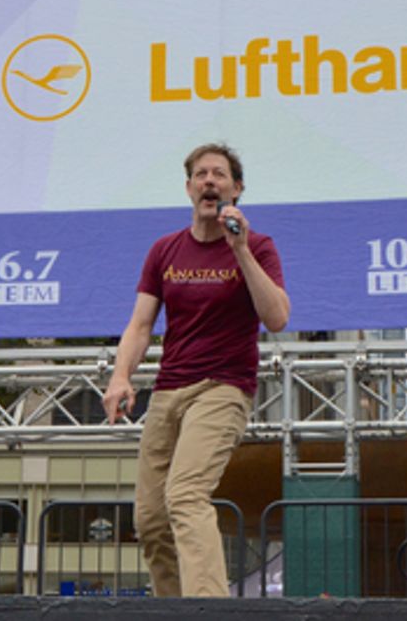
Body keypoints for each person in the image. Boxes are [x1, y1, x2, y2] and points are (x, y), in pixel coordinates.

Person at [102, 143, 291, 597]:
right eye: (201, 174)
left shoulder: (259, 247)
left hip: (223, 388)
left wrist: (240, 250)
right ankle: (173, 607)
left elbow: (278, 317)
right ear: (188, 188)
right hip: (168, 392)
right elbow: (140, 324)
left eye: (220, 174)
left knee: (185, 495)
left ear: (236, 188)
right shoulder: (164, 251)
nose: (210, 181)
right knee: (150, 518)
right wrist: (121, 375)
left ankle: (209, 608)